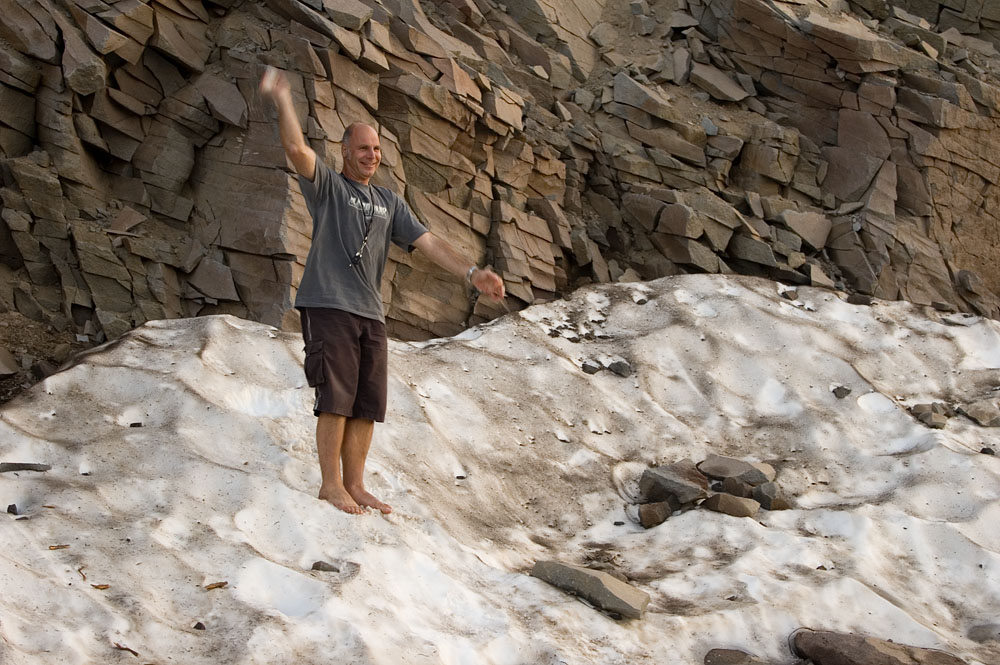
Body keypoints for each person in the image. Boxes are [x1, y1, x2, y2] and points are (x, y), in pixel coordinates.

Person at [259, 67, 505, 515]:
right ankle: (330, 485)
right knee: (335, 396)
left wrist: (473, 273)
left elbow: (429, 242)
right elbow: (296, 148)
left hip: (370, 312)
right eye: (363, 148)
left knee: (366, 403)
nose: (371, 155)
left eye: (376, 149)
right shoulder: (330, 187)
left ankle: (354, 484)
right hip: (328, 303)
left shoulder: (389, 202)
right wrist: (282, 98)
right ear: (345, 151)